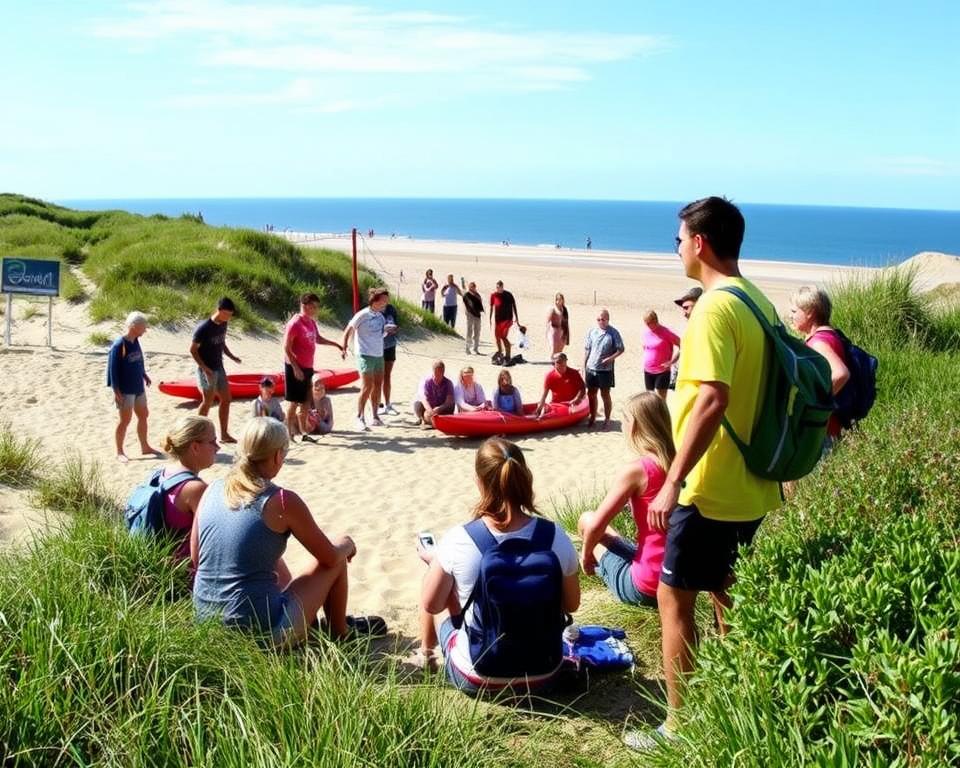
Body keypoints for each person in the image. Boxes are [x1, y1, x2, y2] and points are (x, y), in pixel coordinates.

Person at [629, 197, 783, 750]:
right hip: (753, 483)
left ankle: (679, 727)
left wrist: (672, 481)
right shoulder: (757, 300)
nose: (675, 248)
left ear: (699, 242)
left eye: (678, 239)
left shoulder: (715, 308)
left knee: (675, 598)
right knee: (727, 592)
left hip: (709, 487)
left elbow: (713, 400)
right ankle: (736, 703)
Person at [191, 417, 385, 646]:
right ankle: (340, 633)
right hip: (260, 635)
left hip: (206, 626)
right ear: (276, 456)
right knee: (337, 556)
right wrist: (348, 544)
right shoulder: (281, 501)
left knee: (270, 560)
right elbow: (329, 556)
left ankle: (321, 627)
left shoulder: (212, 489)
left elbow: (197, 558)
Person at [414, 438, 581, 693]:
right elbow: (571, 605)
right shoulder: (555, 536)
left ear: (479, 482)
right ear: (525, 478)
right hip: (545, 672)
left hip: (479, 678)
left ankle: (425, 655)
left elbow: (431, 605)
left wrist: (436, 561)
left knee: (438, 579)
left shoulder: (460, 539)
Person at [577, 393, 674, 609]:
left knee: (586, 520)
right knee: (613, 536)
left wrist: (585, 557)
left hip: (646, 587)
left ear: (635, 426)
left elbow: (596, 526)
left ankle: (598, 563)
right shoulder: (681, 466)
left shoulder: (637, 471)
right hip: (679, 580)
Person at [789, 286, 850, 446]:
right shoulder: (830, 334)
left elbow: (841, 374)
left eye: (794, 312)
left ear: (810, 313)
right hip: (834, 427)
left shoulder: (818, 342)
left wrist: (814, 405)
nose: (791, 316)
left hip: (823, 431)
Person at [283, 293, 342, 442]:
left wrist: (336, 344)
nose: (316, 309)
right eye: (313, 306)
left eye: (317, 306)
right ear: (305, 305)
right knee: (294, 402)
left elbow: (318, 338)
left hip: (308, 367)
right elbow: (286, 348)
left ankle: (303, 432)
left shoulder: (311, 322)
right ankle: (288, 433)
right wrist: (295, 368)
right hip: (295, 367)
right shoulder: (295, 323)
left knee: (306, 401)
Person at [158, 416, 218, 562]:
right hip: (185, 577)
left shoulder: (162, 474)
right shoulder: (196, 489)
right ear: (195, 447)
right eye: (213, 442)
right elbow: (212, 540)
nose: (218, 448)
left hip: (162, 567)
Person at [107, 311, 159, 462]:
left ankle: (145, 446)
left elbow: (139, 360)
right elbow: (112, 370)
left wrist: (144, 374)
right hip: (125, 389)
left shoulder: (136, 341)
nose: (145, 330)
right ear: (134, 326)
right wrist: (116, 391)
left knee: (143, 415)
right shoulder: (119, 344)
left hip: (138, 387)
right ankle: (119, 452)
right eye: (143, 327)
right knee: (125, 420)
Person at [190, 297, 242, 443]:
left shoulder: (224, 323)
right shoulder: (203, 328)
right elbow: (193, 350)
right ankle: (196, 435)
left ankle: (224, 434)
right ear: (218, 310)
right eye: (226, 314)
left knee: (226, 399)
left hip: (219, 367)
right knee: (207, 401)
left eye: (230, 315)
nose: (228, 318)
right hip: (206, 369)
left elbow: (222, 342)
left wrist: (232, 357)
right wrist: (205, 369)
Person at [342, 287, 389, 431]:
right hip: (364, 354)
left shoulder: (381, 317)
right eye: (384, 300)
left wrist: (387, 331)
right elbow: (348, 330)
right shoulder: (362, 315)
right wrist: (344, 347)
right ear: (375, 300)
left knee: (377, 386)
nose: (386, 303)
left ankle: (374, 416)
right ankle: (359, 417)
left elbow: (380, 334)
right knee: (367, 386)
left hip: (379, 355)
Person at [583, 309, 624, 429]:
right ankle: (593, 417)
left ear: (608, 319)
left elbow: (621, 349)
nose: (601, 321)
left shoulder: (613, 332)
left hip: (605, 370)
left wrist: (610, 358)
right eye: (598, 319)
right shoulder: (592, 331)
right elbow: (587, 349)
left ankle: (607, 419)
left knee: (605, 394)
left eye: (603, 319)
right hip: (591, 367)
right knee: (591, 394)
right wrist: (584, 366)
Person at [642, 310, 681, 401]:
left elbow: (682, 345)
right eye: (646, 323)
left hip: (662, 370)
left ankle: (661, 415)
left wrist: (672, 361)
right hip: (648, 369)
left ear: (655, 320)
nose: (647, 325)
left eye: (649, 323)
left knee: (661, 399)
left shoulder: (666, 332)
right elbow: (645, 348)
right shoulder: (646, 332)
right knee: (649, 398)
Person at [669, 287, 703, 390]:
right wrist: (672, 362)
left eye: (686, 308)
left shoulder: (705, 329)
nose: (683, 313)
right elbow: (682, 348)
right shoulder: (690, 327)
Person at [413, 359, 455, 428]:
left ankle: (431, 422)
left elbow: (448, 401)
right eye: (435, 374)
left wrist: (439, 409)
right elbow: (424, 399)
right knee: (418, 405)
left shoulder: (448, 383)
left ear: (443, 373)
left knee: (451, 406)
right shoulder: (428, 382)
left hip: (442, 407)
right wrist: (430, 411)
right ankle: (424, 419)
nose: (436, 377)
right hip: (430, 407)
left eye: (439, 375)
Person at [489, 280, 520, 364]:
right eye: (497, 287)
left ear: (503, 287)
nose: (498, 289)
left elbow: (514, 306)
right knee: (497, 337)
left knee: (503, 337)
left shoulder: (508, 295)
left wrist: (517, 319)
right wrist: (490, 318)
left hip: (507, 320)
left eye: (500, 287)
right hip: (497, 320)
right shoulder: (493, 295)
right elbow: (491, 307)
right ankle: (499, 351)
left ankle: (508, 354)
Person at [379, 300, 400, 416]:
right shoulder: (375, 311)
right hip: (378, 347)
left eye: (386, 298)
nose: (385, 300)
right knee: (378, 377)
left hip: (390, 345)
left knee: (387, 375)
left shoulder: (391, 309)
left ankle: (387, 404)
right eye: (383, 298)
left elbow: (397, 325)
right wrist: (384, 329)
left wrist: (394, 329)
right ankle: (377, 404)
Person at [545, 293, 570, 361]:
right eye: (557, 300)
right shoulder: (553, 309)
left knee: (559, 351)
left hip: (562, 331)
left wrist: (567, 334)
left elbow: (566, 322)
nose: (559, 301)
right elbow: (548, 321)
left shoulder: (564, 309)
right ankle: (552, 363)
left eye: (560, 299)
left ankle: (557, 364)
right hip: (554, 331)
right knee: (553, 349)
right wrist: (547, 332)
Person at [462, 282, 485, 354]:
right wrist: (466, 311)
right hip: (470, 314)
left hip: (477, 315)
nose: (473, 288)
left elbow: (480, 303)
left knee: (477, 332)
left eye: (474, 287)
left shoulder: (477, 295)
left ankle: (475, 348)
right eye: (472, 287)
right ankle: (467, 348)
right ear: (469, 287)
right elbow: (465, 303)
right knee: (469, 331)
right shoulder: (466, 295)